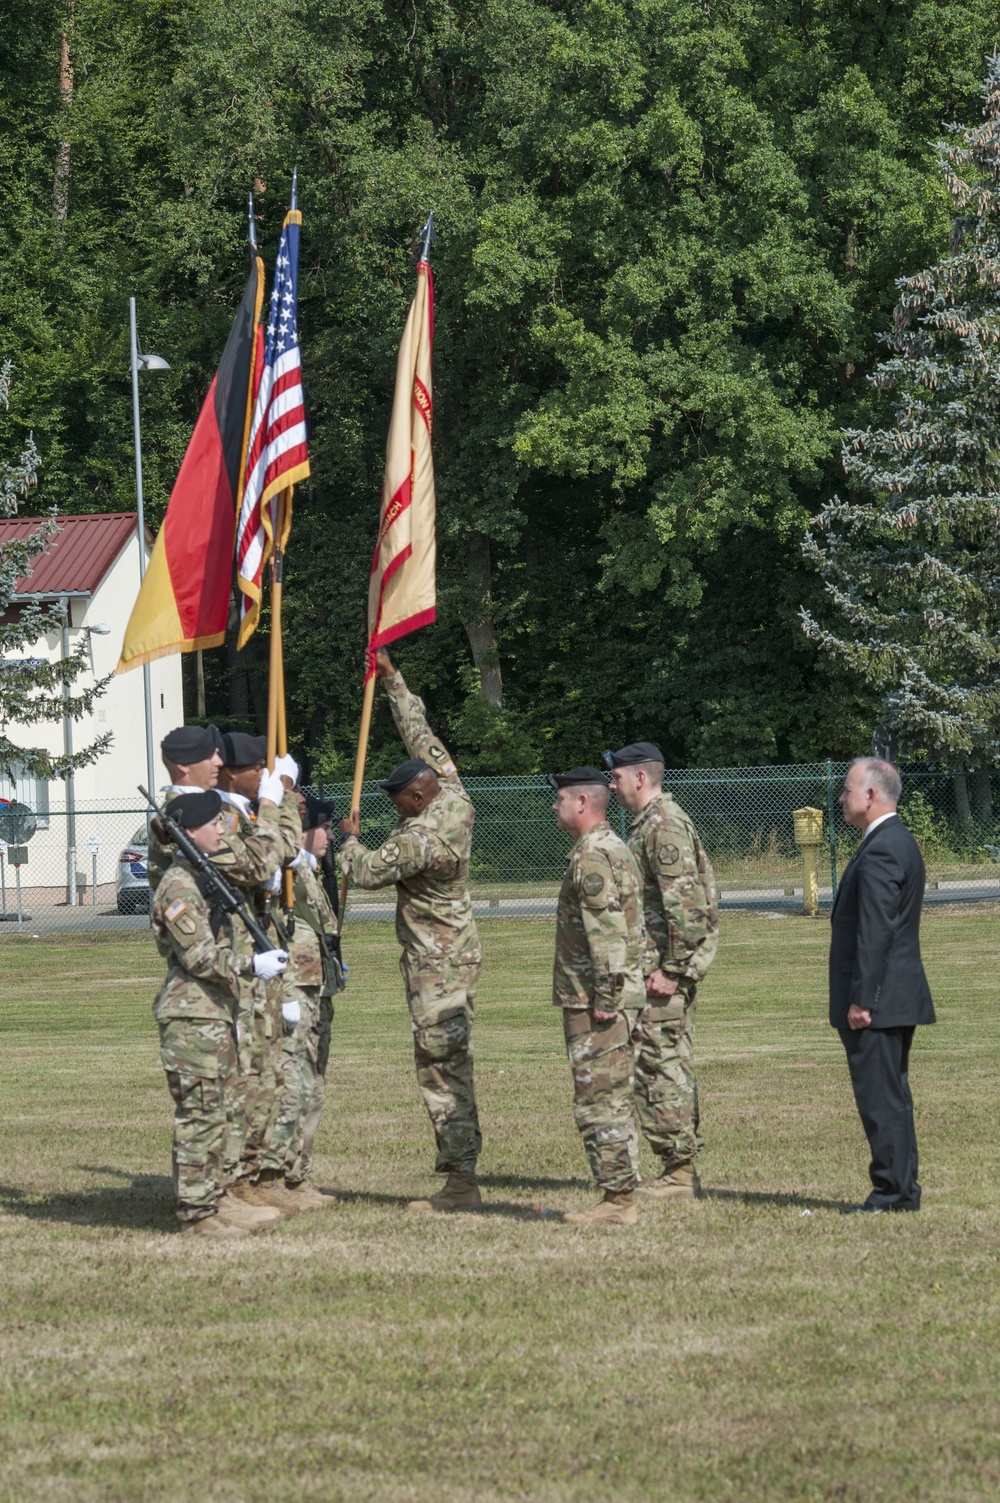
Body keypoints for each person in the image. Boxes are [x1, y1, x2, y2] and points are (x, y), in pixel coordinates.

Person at [338, 646, 484, 1214]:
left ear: (417, 797)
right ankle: (459, 1175)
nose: (396, 810)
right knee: (449, 1060)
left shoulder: (423, 839)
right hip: (458, 954)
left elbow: (369, 871)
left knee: (442, 1066)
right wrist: (392, 679)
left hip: (436, 965)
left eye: (399, 803)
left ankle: (460, 1180)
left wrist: (349, 838)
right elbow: (421, 738)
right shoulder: (454, 795)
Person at [150, 790, 288, 1239]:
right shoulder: (178, 887)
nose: (221, 830)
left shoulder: (203, 876)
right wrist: (251, 964)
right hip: (192, 1016)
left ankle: (214, 1200)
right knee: (202, 1114)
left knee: (224, 1111)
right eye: (213, 825)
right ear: (190, 832)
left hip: (215, 1013)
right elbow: (199, 958)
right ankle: (196, 1213)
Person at [607, 741, 718, 1199]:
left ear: (640, 777)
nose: (611, 785)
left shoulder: (663, 826)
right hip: (649, 968)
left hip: (661, 974)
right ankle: (677, 1164)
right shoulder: (647, 824)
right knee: (658, 1063)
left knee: (662, 1066)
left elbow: (688, 908)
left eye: (616, 776)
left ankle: (680, 1171)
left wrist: (673, 971)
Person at [832, 757, 935, 1213]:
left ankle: (893, 1193)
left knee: (881, 1099)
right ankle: (900, 1190)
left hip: (879, 1001)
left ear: (871, 795)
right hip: (891, 997)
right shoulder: (892, 841)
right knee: (890, 1096)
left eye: (847, 789)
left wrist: (862, 999)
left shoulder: (883, 847)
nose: (841, 798)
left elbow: (877, 930)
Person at [550, 767, 646, 1227]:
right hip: (610, 996)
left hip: (597, 1002)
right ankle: (620, 1192)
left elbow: (607, 933)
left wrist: (606, 995)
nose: (555, 806)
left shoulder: (592, 856)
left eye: (560, 799)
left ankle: (617, 1201)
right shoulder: (613, 847)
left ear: (582, 803)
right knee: (613, 1097)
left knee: (599, 1100)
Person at [268, 806, 341, 1209]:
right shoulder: (287, 873)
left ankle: (297, 1173)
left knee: (313, 1086)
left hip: (317, 986)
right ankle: (275, 1175)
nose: (329, 836)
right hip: (293, 988)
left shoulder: (309, 870)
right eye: (323, 828)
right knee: (293, 1084)